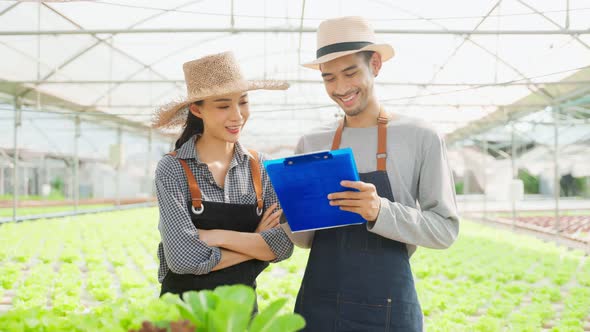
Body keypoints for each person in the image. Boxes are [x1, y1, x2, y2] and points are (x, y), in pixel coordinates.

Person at [280, 16, 460, 331]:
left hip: (388, 307)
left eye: (350, 72)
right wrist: (286, 212)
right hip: (318, 304)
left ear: (375, 64)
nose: (340, 88)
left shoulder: (420, 136)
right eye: (329, 78)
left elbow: (445, 230)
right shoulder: (311, 143)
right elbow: (305, 240)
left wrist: (380, 211)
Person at [152, 51, 294, 312]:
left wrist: (213, 236)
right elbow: (182, 259)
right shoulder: (173, 168)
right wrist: (256, 242)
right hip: (183, 314)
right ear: (197, 109)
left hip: (241, 314)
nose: (237, 115)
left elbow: (283, 245)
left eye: (243, 102)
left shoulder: (261, 167)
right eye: (222, 105)